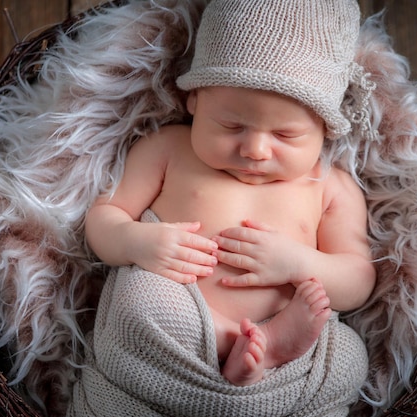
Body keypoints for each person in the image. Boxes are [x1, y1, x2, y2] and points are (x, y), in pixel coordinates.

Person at [84, 0, 376, 387]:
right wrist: (136, 241)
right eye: (230, 125)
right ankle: (246, 345)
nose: (255, 149)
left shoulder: (329, 185)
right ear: (195, 100)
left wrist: (297, 262)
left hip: (292, 346)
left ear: (325, 129)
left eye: (285, 135)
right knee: (138, 303)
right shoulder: (169, 148)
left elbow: (357, 279)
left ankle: (267, 351)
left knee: (349, 361)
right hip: (177, 319)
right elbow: (104, 216)